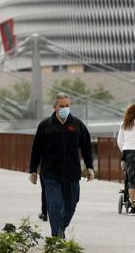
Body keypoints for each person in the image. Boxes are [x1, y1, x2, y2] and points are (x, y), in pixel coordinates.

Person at [29, 93, 94, 239]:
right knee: (54, 205)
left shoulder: (77, 124)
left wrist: (89, 167)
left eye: (67, 106)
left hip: (72, 173)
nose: (65, 108)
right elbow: (36, 149)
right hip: (51, 173)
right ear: (55, 107)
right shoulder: (45, 125)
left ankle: (61, 228)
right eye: (62, 106)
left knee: (71, 205)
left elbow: (86, 147)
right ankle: (56, 235)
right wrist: (33, 170)